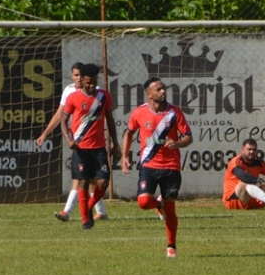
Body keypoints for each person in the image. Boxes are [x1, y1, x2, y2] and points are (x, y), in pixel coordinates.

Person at [121, 77, 193, 258]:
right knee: (144, 202)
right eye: (159, 89)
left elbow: (188, 137)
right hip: (148, 165)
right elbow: (128, 133)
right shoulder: (139, 113)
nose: (163, 92)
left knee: (171, 209)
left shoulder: (174, 112)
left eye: (164, 88)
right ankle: (157, 204)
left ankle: (171, 246)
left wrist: (177, 143)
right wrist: (124, 156)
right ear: (149, 94)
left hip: (171, 166)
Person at [37, 62, 108, 222]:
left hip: (91, 141)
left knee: (85, 178)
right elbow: (60, 115)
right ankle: (98, 211)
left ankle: (68, 212)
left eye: (79, 76)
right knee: (85, 178)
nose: (78, 78)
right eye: (75, 75)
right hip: (76, 140)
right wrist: (45, 133)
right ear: (72, 76)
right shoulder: (69, 91)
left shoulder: (96, 93)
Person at [59, 63, 120, 230]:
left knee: (103, 182)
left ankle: (87, 207)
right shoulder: (74, 98)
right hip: (80, 148)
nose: (91, 85)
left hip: (99, 147)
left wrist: (115, 143)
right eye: (88, 83)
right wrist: (68, 139)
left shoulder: (104, 96)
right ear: (82, 81)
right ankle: (86, 219)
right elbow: (63, 121)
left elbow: (110, 119)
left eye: (94, 82)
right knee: (83, 182)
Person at [222, 138, 265, 211]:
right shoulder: (236, 161)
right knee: (245, 183)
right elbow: (243, 176)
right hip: (233, 201)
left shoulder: (258, 162)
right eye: (249, 149)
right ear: (242, 149)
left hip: (252, 200)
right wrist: (261, 181)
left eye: (254, 149)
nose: (252, 152)